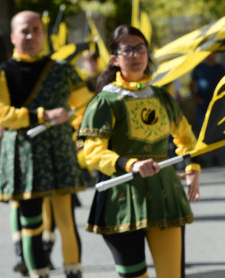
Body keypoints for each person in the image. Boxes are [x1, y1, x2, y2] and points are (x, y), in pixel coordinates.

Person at [78, 25, 201, 278]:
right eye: (127, 49)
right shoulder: (104, 101)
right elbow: (92, 152)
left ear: (148, 53)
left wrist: (192, 167)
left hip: (165, 194)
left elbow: (186, 137)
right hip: (121, 197)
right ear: (115, 58)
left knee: (172, 275)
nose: (135, 55)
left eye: (140, 48)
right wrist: (131, 164)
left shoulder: (162, 97)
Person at [0, 10, 93, 278]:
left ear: (44, 34)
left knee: (66, 218)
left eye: (36, 30)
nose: (31, 35)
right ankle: (38, 272)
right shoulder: (1, 74)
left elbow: (86, 107)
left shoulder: (63, 70)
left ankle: (73, 271)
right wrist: (43, 115)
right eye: (25, 30)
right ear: (13, 36)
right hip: (24, 153)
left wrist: (81, 132)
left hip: (59, 150)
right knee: (30, 221)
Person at [189, 52, 225, 166]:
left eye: (213, 53)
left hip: (216, 104)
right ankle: (202, 156)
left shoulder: (220, 68)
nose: (212, 55)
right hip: (203, 104)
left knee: (216, 129)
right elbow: (191, 84)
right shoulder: (199, 68)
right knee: (202, 129)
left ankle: (215, 156)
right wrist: (195, 97)